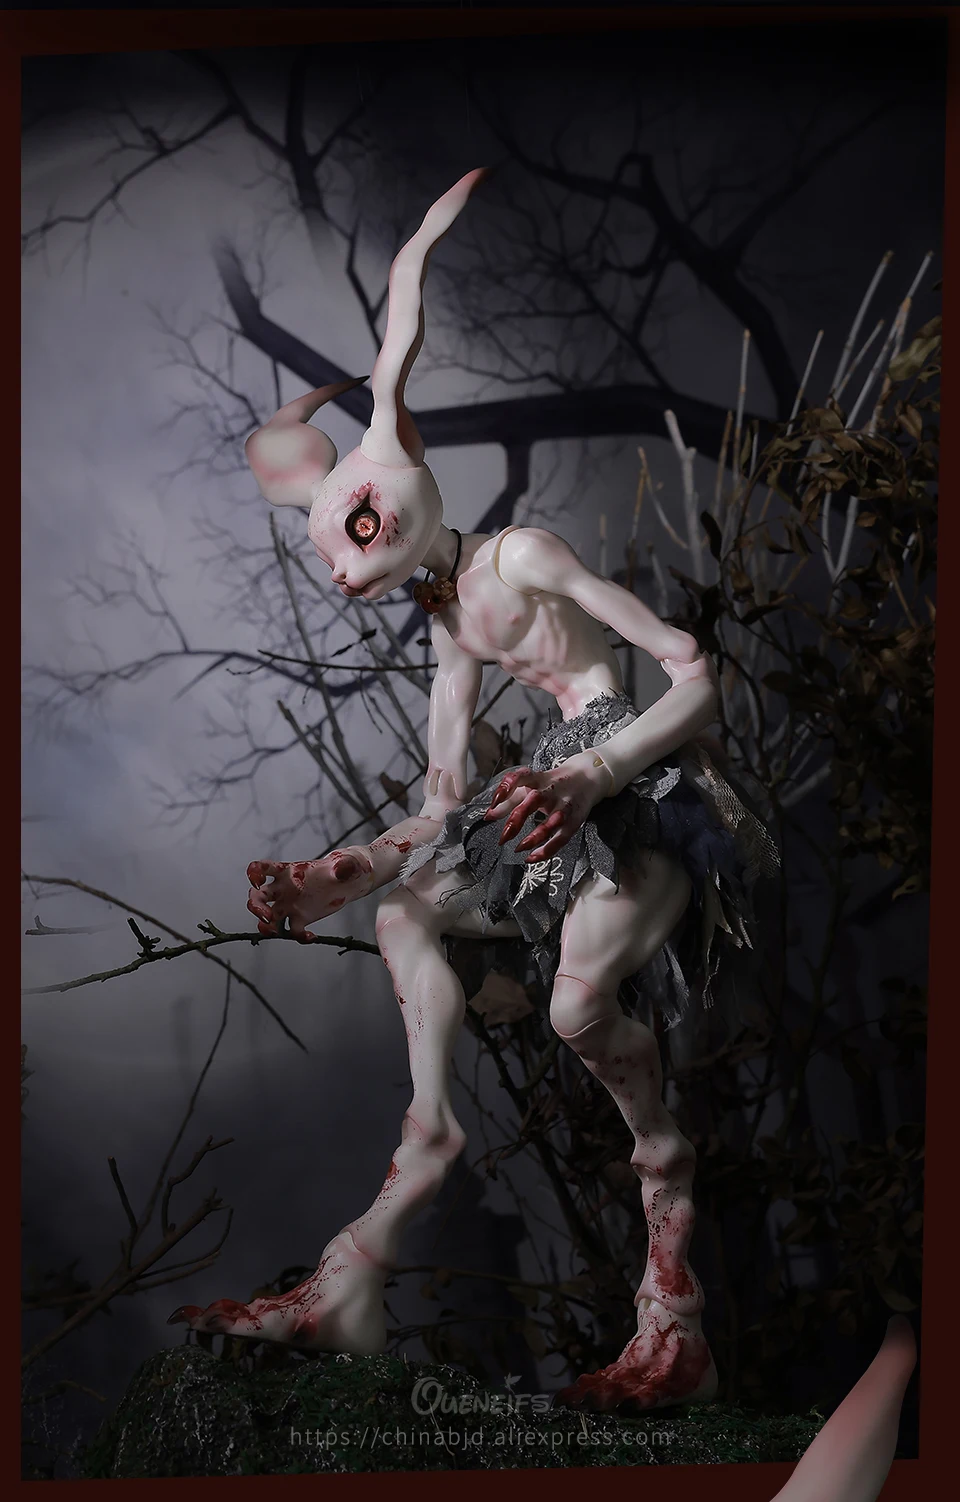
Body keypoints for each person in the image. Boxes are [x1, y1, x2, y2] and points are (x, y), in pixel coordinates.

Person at [171, 169, 777, 1411]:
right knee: (406, 912)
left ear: (395, 469)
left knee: (575, 1008)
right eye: (323, 549)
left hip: (635, 778)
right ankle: (406, 1183)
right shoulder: (452, 628)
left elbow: (692, 671)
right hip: (552, 796)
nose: (341, 570)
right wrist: (338, 873)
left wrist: (594, 767)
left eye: (350, 528)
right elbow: (444, 800)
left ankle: (676, 1316)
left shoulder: (522, 555)